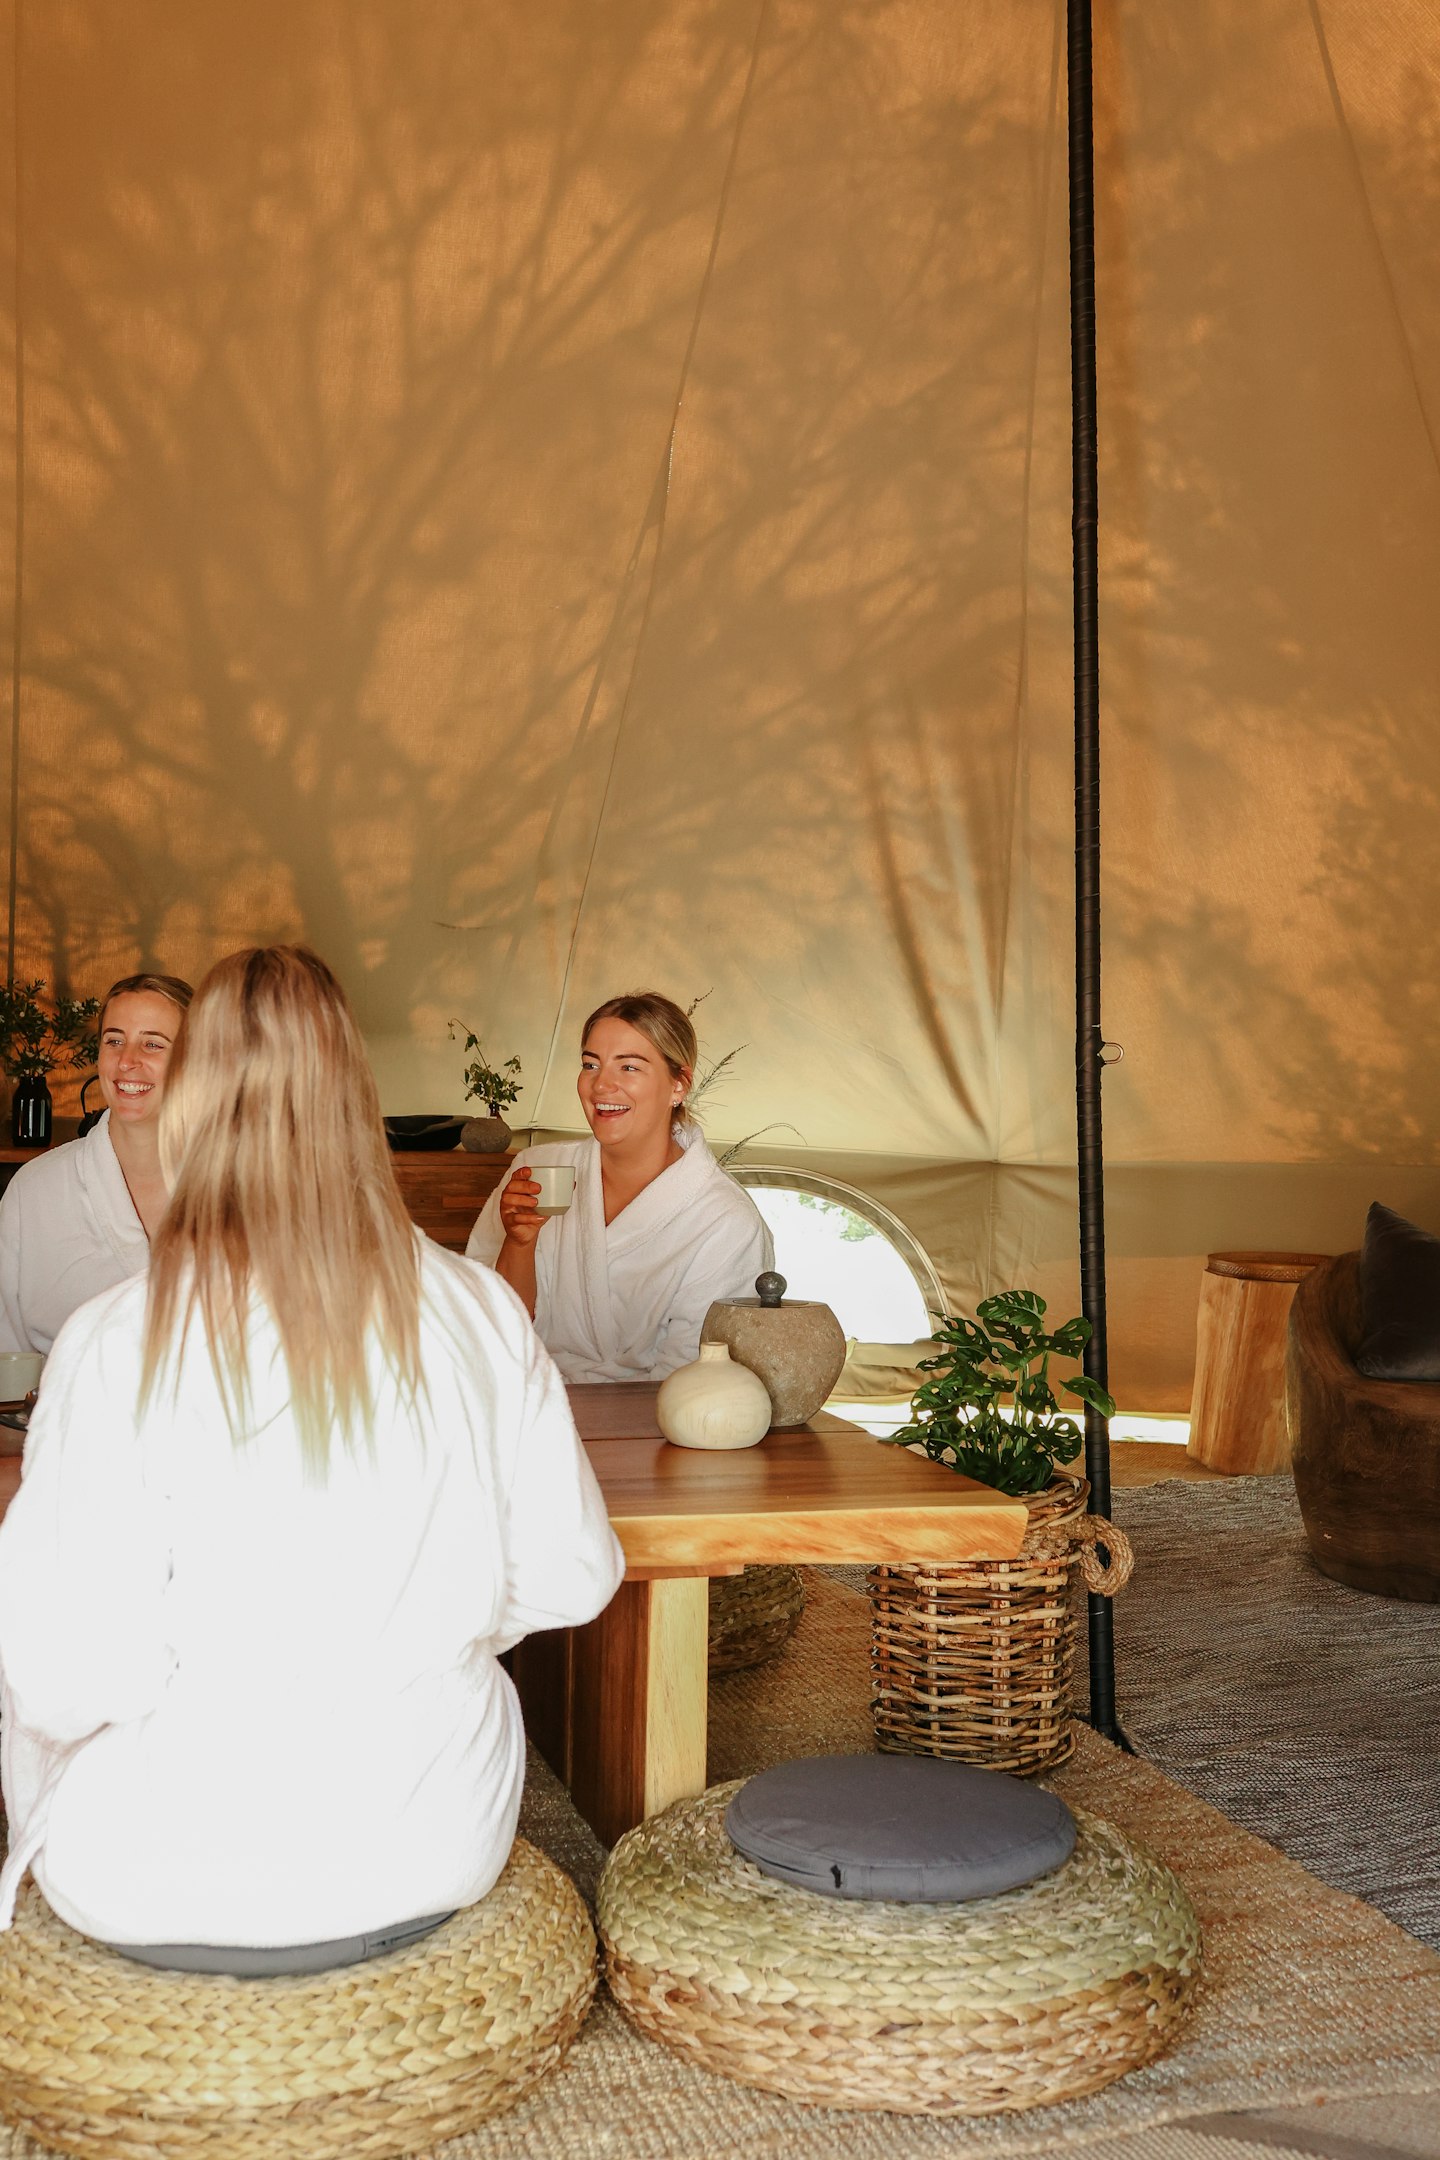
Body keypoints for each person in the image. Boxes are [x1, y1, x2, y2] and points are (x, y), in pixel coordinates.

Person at [0, 946, 623, 1972]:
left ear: (194, 1101)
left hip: (156, 1873)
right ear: (355, 1098)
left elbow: (67, 1676)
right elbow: (571, 1573)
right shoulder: (475, 1309)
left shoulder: (117, 1337)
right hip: (431, 1843)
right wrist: (423, 1623)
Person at [467, 991, 773, 1383]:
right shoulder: (537, 1170)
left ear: (679, 1084)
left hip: (650, 1424)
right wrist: (518, 1243)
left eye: (629, 1067)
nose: (601, 1086)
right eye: (590, 1064)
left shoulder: (725, 1221)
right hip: (521, 1399)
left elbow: (695, 1379)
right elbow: (486, 1329)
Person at [0, 972, 193, 1356]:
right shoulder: (34, 1192)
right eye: (114, 1040)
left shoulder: (237, 1190)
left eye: (153, 1044)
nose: (127, 1061)